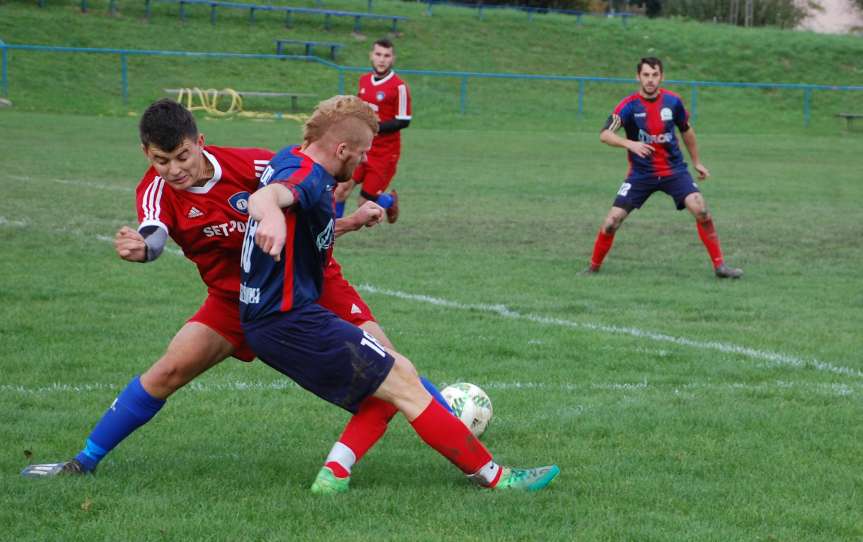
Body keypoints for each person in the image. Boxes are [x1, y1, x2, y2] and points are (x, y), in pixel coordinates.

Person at [20, 99, 450, 480]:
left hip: (308, 284)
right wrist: (142, 249)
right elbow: (153, 234)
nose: (175, 170)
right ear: (146, 155)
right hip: (233, 301)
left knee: (391, 362)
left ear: (200, 141)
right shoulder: (155, 191)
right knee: (167, 372)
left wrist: (350, 220)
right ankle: (82, 462)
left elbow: (306, 212)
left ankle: (454, 426)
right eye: (161, 160)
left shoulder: (256, 167)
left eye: (182, 156)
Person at [240, 94, 560, 493]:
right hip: (292, 321)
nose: (364, 163)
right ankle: (496, 477)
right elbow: (267, 198)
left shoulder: (291, 158)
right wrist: (268, 212)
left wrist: (352, 221)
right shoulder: (308, 177)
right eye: (361, 154)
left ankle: (335, 473)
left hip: (275, 321)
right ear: (341, 149)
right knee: (403, 380)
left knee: (391, 378)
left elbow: (300, 226)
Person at [585, 57, 743, 279]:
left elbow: (687, 130)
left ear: (661, 76)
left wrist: (696, 161)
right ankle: (593, 267)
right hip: (641, 174)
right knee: (611, 222)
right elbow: (604, 134)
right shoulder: (628, 106)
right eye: (646, 75)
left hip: (674, 172)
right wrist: (629, 143)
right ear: (638, 77)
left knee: (701, 210)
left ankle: (720, 266)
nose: (650, 80)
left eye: (655, 75)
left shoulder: (673, 102)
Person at [334, 38, 410, 224]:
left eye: (386, 55)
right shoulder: (364, 80)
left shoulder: (399, 86)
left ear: (393, 58)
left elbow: (403, 121)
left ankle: (389, 201)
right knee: (340, 189)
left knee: (364, 205)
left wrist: (373, 127)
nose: (382, 59)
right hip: (361, 148)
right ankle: (330, 233)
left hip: (384, 154)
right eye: (378, 54)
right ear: (371, 56)